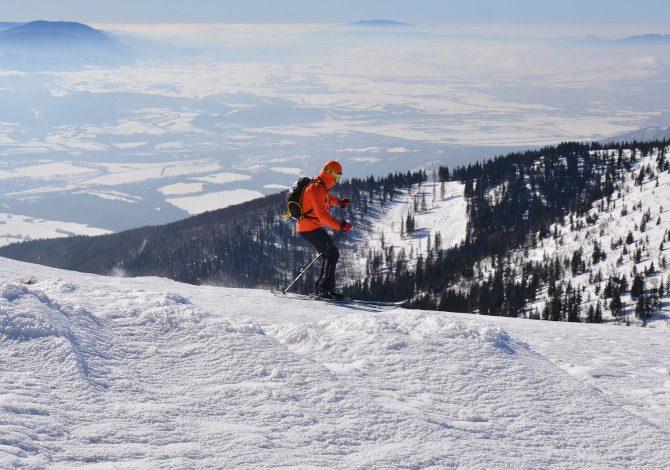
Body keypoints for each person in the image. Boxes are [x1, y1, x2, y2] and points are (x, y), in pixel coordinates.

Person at [297, 160, 352, 299]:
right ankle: (324, 289)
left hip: (311, 227)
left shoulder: (320, 185)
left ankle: (323, 288)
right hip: (309, 228)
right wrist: (341, 225)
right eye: (338, 176)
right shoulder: (316, 188)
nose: (338, 179)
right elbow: (323, 216)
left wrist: (339, 202)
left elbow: (326, 199)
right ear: (331, 174)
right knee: (332, 254)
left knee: (329, 254)